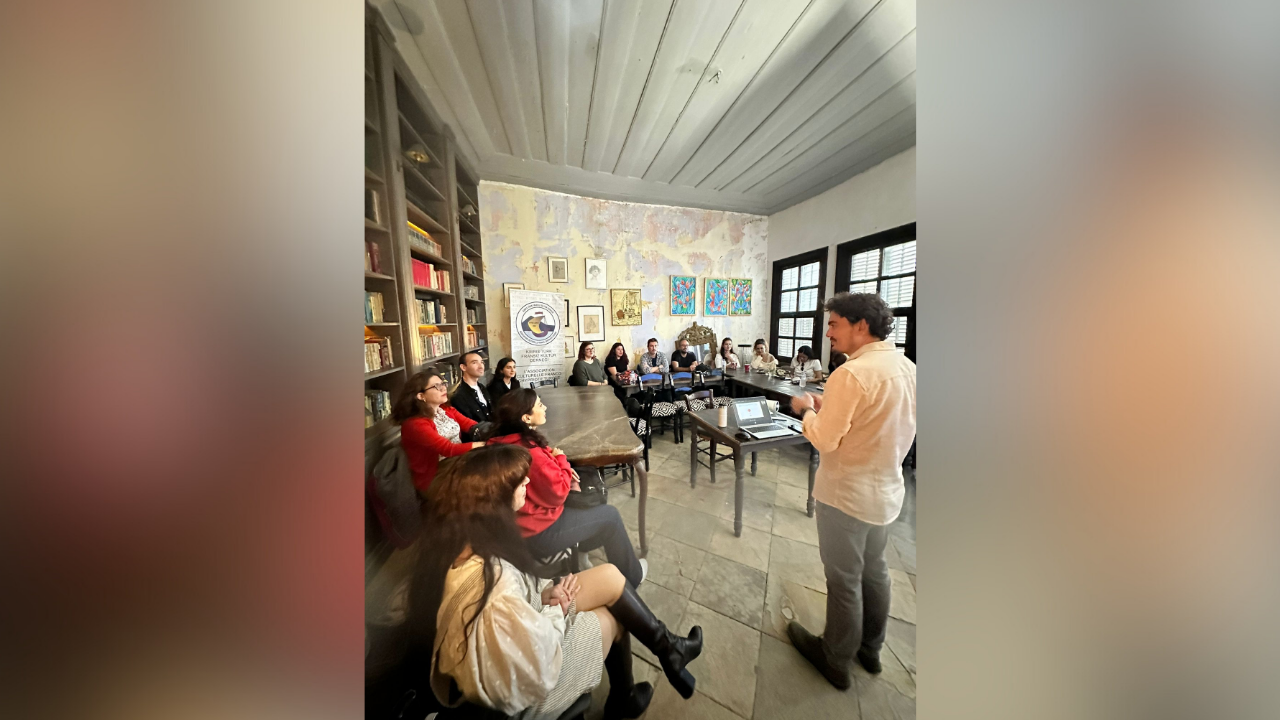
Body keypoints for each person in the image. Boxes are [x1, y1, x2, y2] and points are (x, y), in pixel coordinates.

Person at [408, 445, 703, 719]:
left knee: (611, 576)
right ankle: (625, 696)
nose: (527, 481)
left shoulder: (463, 547)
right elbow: (536, 662)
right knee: (615, 615)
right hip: (530, 688)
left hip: (523, 627)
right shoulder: (493, 593)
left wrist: (544, 595)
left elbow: (515, 605)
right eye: (518, 482)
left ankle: (670, 649)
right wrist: (555, 611)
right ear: (491, 503)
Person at [786, 293, 917, 690]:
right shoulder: (907, 367)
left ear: (861, 325)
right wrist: (830, 407)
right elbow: (876, 419)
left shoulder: (851, 373)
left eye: (834, 324)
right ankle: (870, 649)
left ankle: (835, 658)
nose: (828, 333)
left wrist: (808, 410)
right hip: (886, 493)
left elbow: (825, 440)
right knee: (876, 572)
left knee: (843, 580)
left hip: (846, 495)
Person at [487, 389, 646, 587]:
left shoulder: (500, 442)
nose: (545, 408)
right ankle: (633, 576)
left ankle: (581, 551)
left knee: (592, 500)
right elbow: (558, 494)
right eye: (540, 405)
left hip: (518, 525)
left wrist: (556, 461)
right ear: (526, 417)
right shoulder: (530, 454)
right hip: (537, 532)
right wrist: (561, 459)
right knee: (609, 515)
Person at [393, 370, 485, 493]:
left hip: (456, 464)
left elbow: (472, 425)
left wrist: (492, 430)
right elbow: (448, 449)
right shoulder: (414, 424)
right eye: (436, 386)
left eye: (443, 384)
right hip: (436, 477)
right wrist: (485, 444)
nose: (443, 388)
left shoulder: (446, 410)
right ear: (421, 396)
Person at [450, 351, 492, 425]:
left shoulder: (481, 387)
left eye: (482, 362)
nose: (481, 366)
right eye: (474, 363)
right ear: (463, 367)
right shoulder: (459, 395)